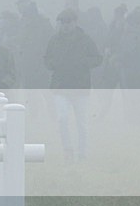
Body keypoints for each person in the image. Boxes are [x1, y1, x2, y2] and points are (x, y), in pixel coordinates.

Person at [44, 8, 102, 162]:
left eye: (68, 21)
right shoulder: (54, 40)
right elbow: (47, 59)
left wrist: (83, 63)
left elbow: (97, 58)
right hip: (60, 86)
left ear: (75, 22)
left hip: (80, 87)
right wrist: (53, 64)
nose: (65, 25)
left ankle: (82, 153)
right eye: (62, 22)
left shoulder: (85, 40)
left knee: (82, 122)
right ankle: (67, 150)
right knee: (62, 118)